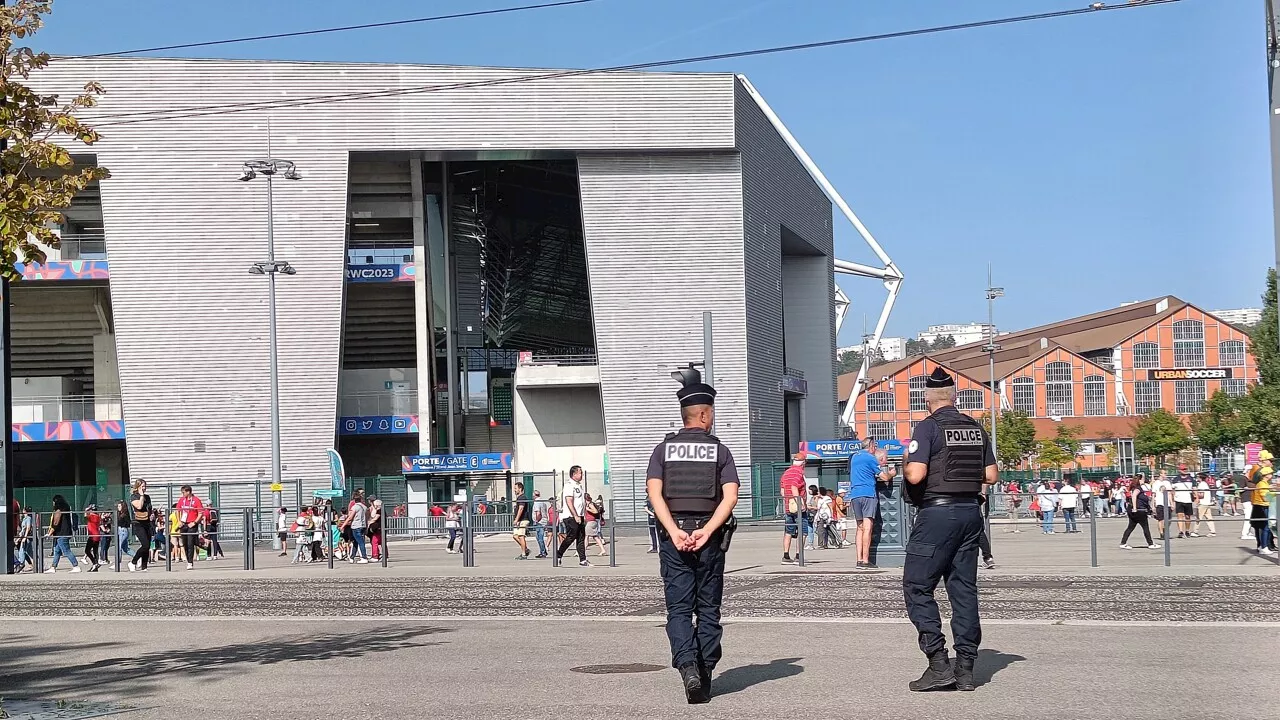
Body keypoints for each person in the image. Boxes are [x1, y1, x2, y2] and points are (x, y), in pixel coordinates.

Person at [901, 367, 997, 692]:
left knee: (917, 586)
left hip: (937, 515)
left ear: (927, 398)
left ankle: (939, 664)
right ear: (954, 397)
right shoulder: (974, 427)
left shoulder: (928, 427)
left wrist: (904, 460)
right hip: (971, 514)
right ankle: (966, 669)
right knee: (963, 591)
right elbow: (992, 475)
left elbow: (915, 475)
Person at [646, 377, 739, 704]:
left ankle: (688, 668)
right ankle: (706, 668)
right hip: (708, 540)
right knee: (709, 608)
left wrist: (673, 531)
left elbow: (654, 494)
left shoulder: (663, 450)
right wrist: (708, 530)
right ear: (704, 415)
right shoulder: (719, 451)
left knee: (680, 610)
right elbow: (730, 498)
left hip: (675, 541)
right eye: (711, 412)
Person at [849, 438, 895, 568]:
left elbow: (863, 472)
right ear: (870, 446)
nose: (875, 448)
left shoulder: (854, 457)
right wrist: (891, 473)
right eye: (874, 445)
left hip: (855, 494)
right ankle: (865, 560)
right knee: (868, 528)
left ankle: (858, 559)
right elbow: (884, 477)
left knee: (859, 527)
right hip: (868, 493)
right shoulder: (870, 458)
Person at [556, 466, 590, 567]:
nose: (582, 475)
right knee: (571, 536)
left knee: (581, 537)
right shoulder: (569, 485)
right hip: (570, 516)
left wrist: (584, 515)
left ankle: (583, 559)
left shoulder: (579, 486)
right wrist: (575, 515)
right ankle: (559, 554)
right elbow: (569, 501)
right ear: (574, 474)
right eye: (580, 473)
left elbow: (582, 502)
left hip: (580, 515)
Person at [779, 452, 809, 565]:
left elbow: (782, 491)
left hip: (788, 507)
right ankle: (798, 556)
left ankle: (786, 556)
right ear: (803, 463)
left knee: (788, 531)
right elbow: (794, 487)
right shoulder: (799, 473)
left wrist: (788, 502)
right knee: (803, 531)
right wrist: (801, 504)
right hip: (797, 508)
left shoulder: (786, 473)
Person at [1120, 477, 1160, 549]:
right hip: (1139, 510)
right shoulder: (1138, 488)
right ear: (1139, 480)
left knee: (1130, 527)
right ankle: (1150, 544)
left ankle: (1123, 543)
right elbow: (1134, 496)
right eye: (1142, 479)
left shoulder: (1136, 488)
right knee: (1145, 527)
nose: (1144, 481)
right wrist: (1135, 508)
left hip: (1135, 510)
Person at [45, 495, 81, 573]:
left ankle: (76, 566)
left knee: (66, 550)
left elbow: (55, 523)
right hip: (63, 533)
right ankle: (53, 567)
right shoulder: (66, 509)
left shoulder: (58, 510)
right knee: (57, 551)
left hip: (61, 534)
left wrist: (49, 533)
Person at [1245, 465, 1274, 555]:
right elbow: (1265, 497)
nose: (1272, 475)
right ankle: (1263, 546)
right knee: (1265, 527)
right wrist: (1275, 495)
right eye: (1271, 473)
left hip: (1262, 506)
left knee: (1264, 527)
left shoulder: (1264, 484)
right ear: (1267, 475)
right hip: (1262, 506)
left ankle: (1262, 546)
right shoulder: (1262, 484)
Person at [175, 485, 205, 570]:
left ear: (188, 492)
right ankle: (189, 558)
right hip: (183, 524)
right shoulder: (181, 500)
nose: (182, 494)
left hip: (192, 524)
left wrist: (195, 522)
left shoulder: (196, 500)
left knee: (190, 543)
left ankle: (190, 562)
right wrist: (179, 521)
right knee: (184, 543)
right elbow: (177, 511)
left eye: (183, 492)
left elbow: (200, 513)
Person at [128, 481, 153, 571]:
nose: (144, 488)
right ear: (138, 487)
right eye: (142, 486)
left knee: (148, 545)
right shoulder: (134, 496)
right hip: (138, 523)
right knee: (145, 544)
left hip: (147, 522)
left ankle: (144, 566)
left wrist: (152, 514)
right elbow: (139, 506)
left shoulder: (147, 497)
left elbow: (149, 508)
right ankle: (133, 562)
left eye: (145, 486)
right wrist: (141, 496)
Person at [1171, 468, 1196, 539]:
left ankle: (1187, 531)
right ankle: (1181, 531)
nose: (1184, 470)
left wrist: (1196, 497)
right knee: (1180, 516)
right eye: (1183, 469)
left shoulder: (1191, 479)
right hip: (1179, 500)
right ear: (1179, 470)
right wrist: (1172, 499)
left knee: (1188, 517)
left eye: (1185, 469)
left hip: (1188, 500)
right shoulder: (1175, 479)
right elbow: (1172, 490)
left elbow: (1194, 489)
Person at [512, 483, 531, 560]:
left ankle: (524, 554)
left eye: (515, 488)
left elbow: (521, 508)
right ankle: (526, 549)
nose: (514, 490)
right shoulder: (519, 498)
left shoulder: (522, 497)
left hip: (523, 519)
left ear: (520, 489)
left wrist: (517, 519)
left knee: (521, 536)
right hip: (519, 520)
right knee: (515, 536)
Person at [1193, 473, 1216, 538]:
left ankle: (1195, 531)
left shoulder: (1201, 485)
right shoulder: (1205, 484)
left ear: (1200, 478)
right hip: (1207, 503)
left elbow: (1201, 495)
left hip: (1202, 503)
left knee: (1198, 518)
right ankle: (1212, 531)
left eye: (1197, 477)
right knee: (1209, 518)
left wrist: (1195, 494)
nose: (1197, 478)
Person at [1151, 471, 1173, 539]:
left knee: (1169, 519)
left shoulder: (1167, 483)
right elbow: (1153, 495)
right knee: (1160, 519)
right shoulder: (1156, 483)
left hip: (1167, 503)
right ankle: (1161, 533)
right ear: (1160, 474)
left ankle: (1165, 530)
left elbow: (1169, 494)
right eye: (1164, 473)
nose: (1166, 475)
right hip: (1159, 503)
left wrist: (1172, 503)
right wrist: (1153, 505)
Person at [532, 491, 551, 559]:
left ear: (534, 496)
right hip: (544, 520)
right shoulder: (543, 502)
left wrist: (537, 520)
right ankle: (543, 551)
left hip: (540, 522)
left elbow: (538, 513)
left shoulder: (537, 502)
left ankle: (543, 552)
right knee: (539, 537)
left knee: (540, 538)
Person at [84, 504, 102, 570]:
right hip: (96, 535)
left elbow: (85, 516)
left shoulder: (92, 516)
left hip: (92, 536)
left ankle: (95, 563)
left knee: (87, 550)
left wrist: (86, 510)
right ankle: (95, 565)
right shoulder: (97, 516)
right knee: (95, 551)